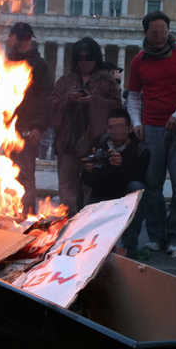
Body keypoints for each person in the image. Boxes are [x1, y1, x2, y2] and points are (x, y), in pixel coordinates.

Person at [126, 11, 176, 256]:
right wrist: (136, 121)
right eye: (154, 32)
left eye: (163, 31)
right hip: (151, 128)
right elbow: (133, 95)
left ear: (168, 31)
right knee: (152, 187)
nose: (159, 36)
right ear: (146, 32)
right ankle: (157, 236)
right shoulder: (139, 60)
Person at [50, 37, 121, 216]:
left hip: (95, 141)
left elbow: (116, 106)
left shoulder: (106, 80)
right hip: (69, 141)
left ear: (96, 58)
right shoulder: (66, 80)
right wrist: (69, 98)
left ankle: (88, 228)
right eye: (80, 57)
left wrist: (94, 101)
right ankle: (69, 225)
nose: (85, 62)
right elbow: (52, 104)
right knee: (66, 189)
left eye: (89, 57)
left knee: (92, 189)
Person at [81, 109, 150, 257]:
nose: (116, 132)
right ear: (107, 128)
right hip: (102, 194)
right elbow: (89, 182)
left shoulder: (140, 150)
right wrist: (88, 170)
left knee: (137, 188)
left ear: (130, 128)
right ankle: (93, 249)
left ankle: (129, 248)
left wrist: (119, 165)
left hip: (126, 197)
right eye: (112, 127)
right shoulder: (98, 143)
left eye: (121, 128)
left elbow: (134, 179)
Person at [5, 22, 54, 216]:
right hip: (7, 129)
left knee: (25, 177)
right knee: (8, 174)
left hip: (27, 129)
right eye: (21, 37)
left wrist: (39, 127)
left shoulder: (38, 65)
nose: (24, 41)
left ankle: (27, 219)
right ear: (12, 38)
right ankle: (13, 216)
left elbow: (46, 98)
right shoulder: (6, 63)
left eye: (27, 38)